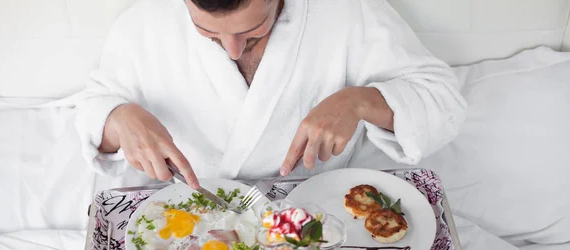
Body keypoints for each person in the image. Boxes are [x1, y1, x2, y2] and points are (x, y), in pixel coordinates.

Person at [75, 0, 466, 189]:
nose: (231, 49)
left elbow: (444, 103)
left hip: (319, 218)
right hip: (195, 224)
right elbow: (92, 111)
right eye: (209, 33)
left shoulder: (344, 11)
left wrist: (359, 101)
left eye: (253, 29)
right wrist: (119, 117)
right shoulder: (142, 24)